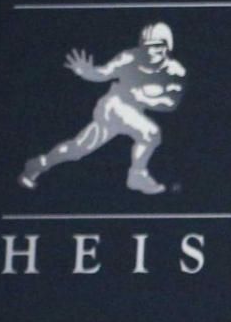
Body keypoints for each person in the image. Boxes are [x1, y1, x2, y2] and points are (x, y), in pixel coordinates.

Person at [20, 23, 186, 194]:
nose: (151, 51)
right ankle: (137, 175)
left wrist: (144, 98)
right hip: (114, 106)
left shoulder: (175, 72)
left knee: (77, 149)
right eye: (147, 46)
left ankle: (40, 163)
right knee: (150, 133)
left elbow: (171, 103)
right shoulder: (129, 57)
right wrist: (87, 72)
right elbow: (104, 73)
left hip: (133, 112)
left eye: (157, 46)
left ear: (168, 46)